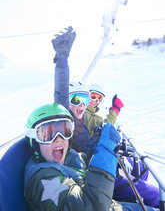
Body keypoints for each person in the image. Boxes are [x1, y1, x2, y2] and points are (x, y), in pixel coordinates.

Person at [51, 26, 159, 210]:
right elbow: (60, 95)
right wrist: (62, 60)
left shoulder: (82, 121)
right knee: (155, 195)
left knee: (142, 172)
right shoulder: (66, 123)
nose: (81, 104)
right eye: (76, 99)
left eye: (85, 99)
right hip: (94, 176)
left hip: (102, 167)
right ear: (67, 102)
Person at [24, 102, 122, 210]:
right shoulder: (43, 182)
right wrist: (104, 154)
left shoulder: (68, 158)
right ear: (34, 142)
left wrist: (93, 153)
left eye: (65, 130)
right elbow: (90, 207)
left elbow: (80, 172)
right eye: (48, 134)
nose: (58, 138)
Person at [84, 83, 160, 209]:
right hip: (101, 165)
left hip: (104, 157)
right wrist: (115, 110)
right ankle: (141, 193)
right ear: (85, 96)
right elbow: (106, 129)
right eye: (93, 96)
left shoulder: (91, 114)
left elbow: (103, 126)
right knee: (155, 195)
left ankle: (137, 191)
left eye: (99, 98)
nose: (95, 100)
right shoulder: (85, 114)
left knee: (141, 167)